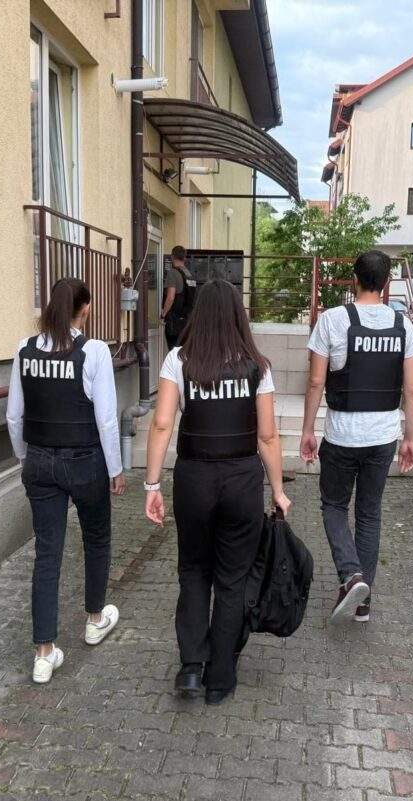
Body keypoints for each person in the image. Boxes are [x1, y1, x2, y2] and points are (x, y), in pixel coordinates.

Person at [144, 279, 291, 705]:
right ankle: (221, 677)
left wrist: (152, 485)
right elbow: (267, 436)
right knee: (232, 579)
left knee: (194, 571)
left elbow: (162, 424)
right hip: (242, 481)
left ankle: (191, 667)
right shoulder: (257, 366)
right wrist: (278, 490)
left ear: (199, 315)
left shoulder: (178, 360)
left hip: (194, 479)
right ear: (237, 316)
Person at [6, 277, 126, 684]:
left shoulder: (24, 349)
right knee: (97, 539)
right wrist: (115, 469)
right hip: (85, 461)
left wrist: (26, 458)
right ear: (85, 308)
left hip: (40, 462)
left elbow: (14, 416)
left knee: (47, 553)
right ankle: (94, 619)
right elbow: (106, 418)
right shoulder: (94, 351)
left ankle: (43, 654)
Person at [300, 250, 413, 623]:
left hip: (341, 435)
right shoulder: (402, 325)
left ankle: (352, 575)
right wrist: (410, 437)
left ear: (354, 279)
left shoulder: (332, 320)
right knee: (369, 513)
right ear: (386, 283)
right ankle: (362, 601)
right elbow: (412, 389)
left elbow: (316, 381)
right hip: (383, 437)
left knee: (334, 506)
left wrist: (307, 429)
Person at [161, 245, 196, 350]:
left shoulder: (173, 273)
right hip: (188, 322)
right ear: (184, 258)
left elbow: (171, 297)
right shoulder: (190, 275)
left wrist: (163, 314)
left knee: (174, 352)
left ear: (172, 257)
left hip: (175, 323)